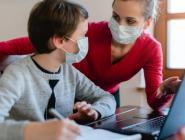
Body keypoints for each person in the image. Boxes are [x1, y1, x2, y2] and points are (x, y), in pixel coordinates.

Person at [0, 0, 180, 109]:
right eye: (116, 16)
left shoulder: (151, 49)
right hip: (69, 94)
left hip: (106, 99)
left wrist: (165, 91)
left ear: (147, 22)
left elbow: (154, 102)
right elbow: (25, 43)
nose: (120, 25)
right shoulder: (89, 32)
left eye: (130, 21)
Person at [0, 0, 116, 140]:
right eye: (82, 35)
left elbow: (107, 98)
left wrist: (95, 111)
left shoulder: (69, 72)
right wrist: (32, 131)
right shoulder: (17, 74)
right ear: (59, 41)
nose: (85, 40)